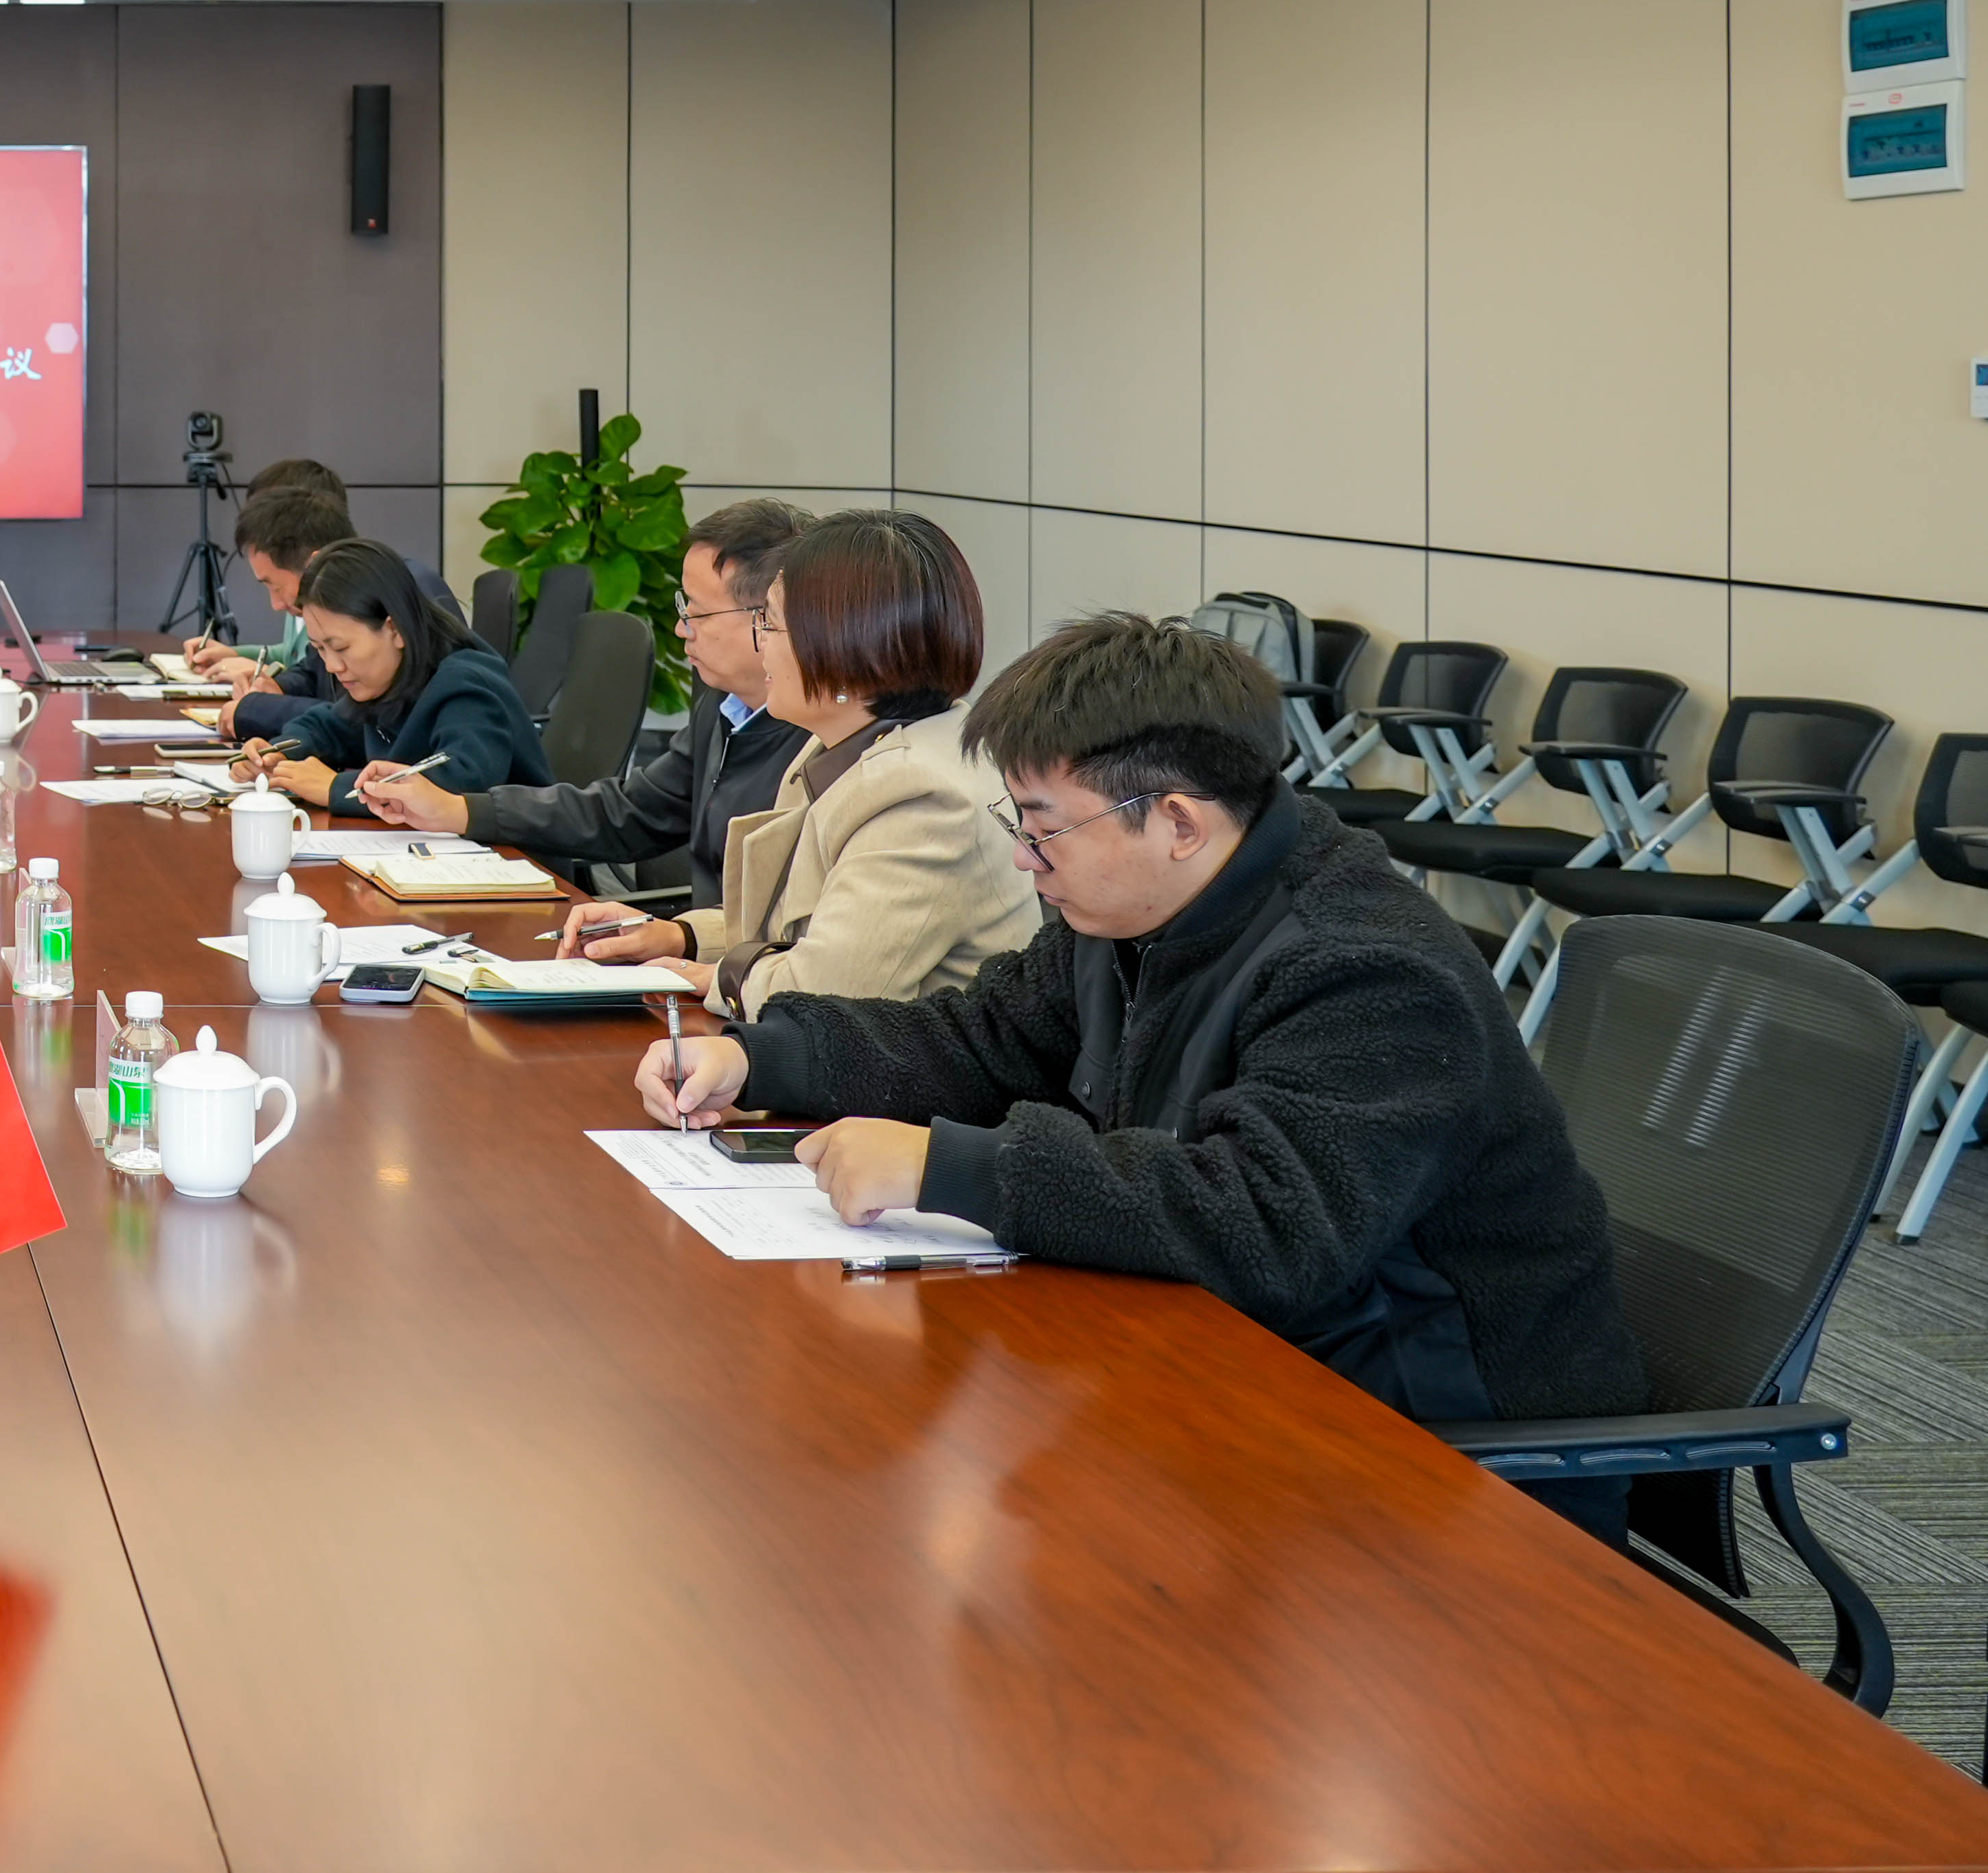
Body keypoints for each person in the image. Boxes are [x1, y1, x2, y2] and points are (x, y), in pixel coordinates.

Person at [641, 613, 1643, 1506]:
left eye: (1045, 829)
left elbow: (1268, 1223)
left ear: (1177, 822)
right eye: (1018, 823)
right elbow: (984, 1039)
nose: (1025, 859)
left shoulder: (1368, 970)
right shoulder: (1131, 909)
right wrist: (762, 1058)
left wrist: (952, 1167)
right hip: (1241, 1375)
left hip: (1439, 1455)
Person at [545, 508, 1031, 1016]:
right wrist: (679, 936)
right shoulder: (840, 747)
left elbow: (821, 993)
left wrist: (713, 977)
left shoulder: (924, 799)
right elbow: (786, 925)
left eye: (770, 624)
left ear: (843, 648)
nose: (762, 646)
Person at [362, 497, 812, 897]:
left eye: (699, 613)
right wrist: (459, 810)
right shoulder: (723, 708)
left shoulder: (823, 742)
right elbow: (628, 812)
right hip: (698, 953)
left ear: (769, 616)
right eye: (683, 608)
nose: (681, 629)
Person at [242, 538, 546, 814]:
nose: (332, 666)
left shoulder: (466, 684)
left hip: (517, 854)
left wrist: (336, 788)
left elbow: (460, 785)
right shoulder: (388, 676)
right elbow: (333, 725)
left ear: (395, 629)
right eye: (320, 649)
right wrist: (279, 752)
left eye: (341, 648)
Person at [192, 483, 352, 738]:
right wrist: (277, 686)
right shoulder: (334, 609)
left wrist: (256, 711)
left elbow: (357, 720)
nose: (275, 605)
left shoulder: (369, 607)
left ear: (315, 564)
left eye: (275, 587)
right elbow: (312, 671)